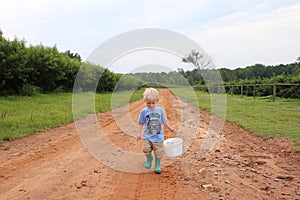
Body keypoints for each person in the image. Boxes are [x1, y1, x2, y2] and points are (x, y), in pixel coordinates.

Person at [137, 87, 176, 174]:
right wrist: (139, 133)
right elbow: (141, 123)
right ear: (145, 101)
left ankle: (157, 165)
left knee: (158, 152)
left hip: (158, 137)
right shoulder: (144, 111)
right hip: (148, 136)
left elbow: (164, 122)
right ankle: (149, 159)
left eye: (153, 103)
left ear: (157, 100)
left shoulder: (160, 111)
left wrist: (171, 128)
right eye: (148, 103)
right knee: (146, 149)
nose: (150, 105)